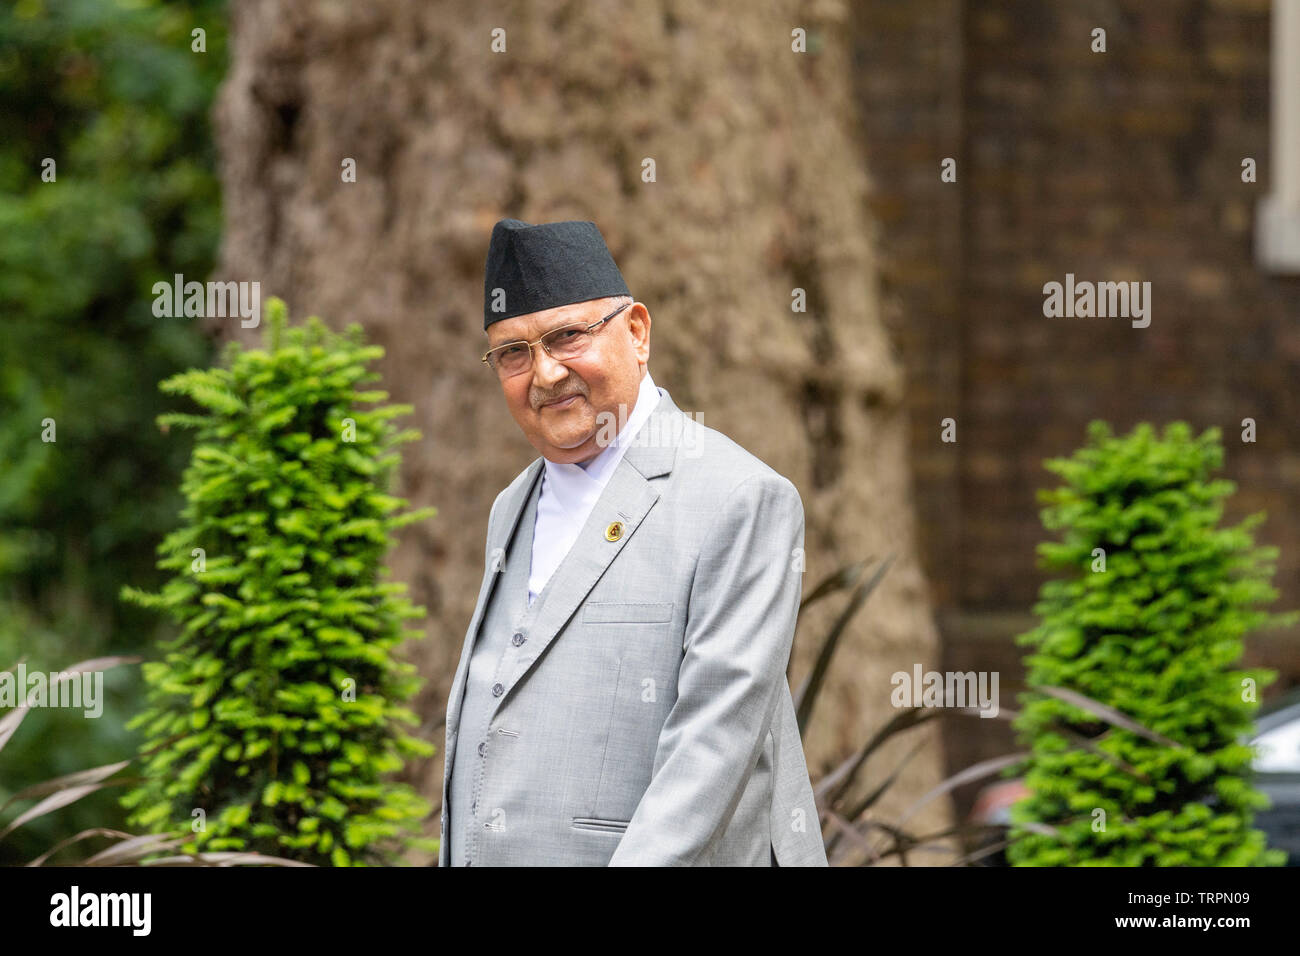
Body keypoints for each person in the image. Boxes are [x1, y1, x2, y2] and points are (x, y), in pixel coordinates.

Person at [439, 217, 827, 866]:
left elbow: (711, 751)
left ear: (638, 332)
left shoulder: (738, 498)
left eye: (566, 337)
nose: (545, 373)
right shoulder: (511, 507)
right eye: (513, 352)